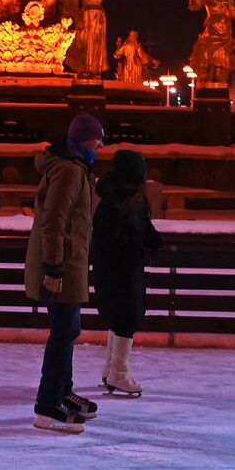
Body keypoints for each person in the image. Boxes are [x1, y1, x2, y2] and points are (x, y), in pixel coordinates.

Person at [24, 113, 104, 434]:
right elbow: (54, 220)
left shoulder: (76, 169)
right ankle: (47, 405)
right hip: (61, 268)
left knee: (68, 330)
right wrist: (54, 267)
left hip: (69, 265)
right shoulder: (69, 171)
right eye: (98, 138)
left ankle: (62, 392)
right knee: (63, 332)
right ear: (85, 139)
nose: (100, 144)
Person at [91, 150, 164, 397]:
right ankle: (118, 374)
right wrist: (137, 247)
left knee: (123, 317)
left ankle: (110, 370)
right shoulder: (112, 203)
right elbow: (109, 240)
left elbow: (142, 225)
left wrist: (152, 238)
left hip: (126, 269)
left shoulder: (133, 198)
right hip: (116, 271)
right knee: (126, 317)